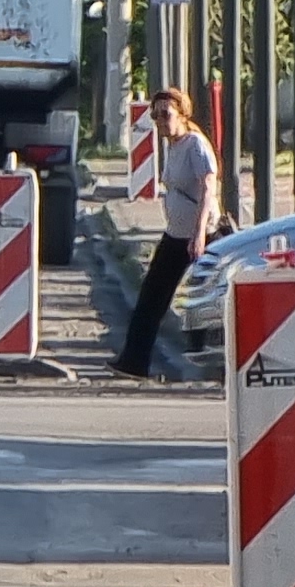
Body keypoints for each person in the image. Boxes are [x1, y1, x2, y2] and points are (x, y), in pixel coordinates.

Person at [117, 87, 215, 380]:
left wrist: (199, 234)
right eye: (156, 115)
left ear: (182, 114)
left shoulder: (195, 144)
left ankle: (210, 356)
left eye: (166, 114)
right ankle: (133, 362)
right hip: (175, 234)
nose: (161, 121)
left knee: (208, 296)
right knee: (151, 296)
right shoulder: (173, 146)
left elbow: (208, 188)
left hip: (200, 236)